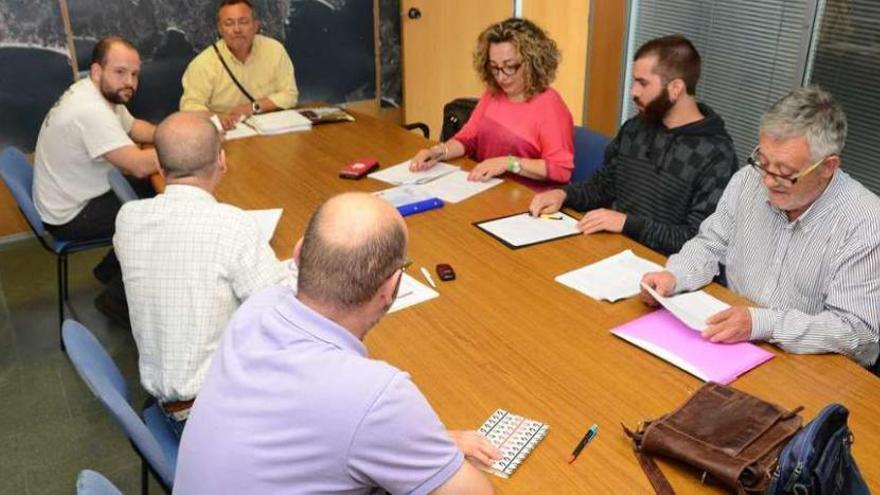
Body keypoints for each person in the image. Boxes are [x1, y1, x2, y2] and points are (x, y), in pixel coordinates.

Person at [174, 193, 497, 494]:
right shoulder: (377, 396)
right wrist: (414, 440)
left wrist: (415, 445)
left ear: (299, 254)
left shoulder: (257, 309)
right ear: (392, 286)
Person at [641, 87, 880, 371]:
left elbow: (856, 330)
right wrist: (674, 276)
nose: (767, 181)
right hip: (733, 343)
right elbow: (710, 244)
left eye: (785, 172)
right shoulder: (747, 181)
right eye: (763, 162)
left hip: (812, 366)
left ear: (828, 166)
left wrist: (762, 323)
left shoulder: (866, 222)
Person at [113, 112, 292, 436]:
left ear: (161, 167)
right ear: (221, 161)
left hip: (165, 402)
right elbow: (282, 315)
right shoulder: (232, 226)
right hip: (216, 415)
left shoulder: (128, 219)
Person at [529, 35, 738, 255]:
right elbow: (604, 185)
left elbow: (698, 241)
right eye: (634, 81)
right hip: (615, 251)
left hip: (666, 272)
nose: (633, 92)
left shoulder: (716, 155)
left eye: (643, 83)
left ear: (676, 88)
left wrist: (627, 224)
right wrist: (564, 195)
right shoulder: (635, 128)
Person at [33, 36, 159, 324]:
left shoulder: (97, 92)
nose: (130, 81)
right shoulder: (90, 110)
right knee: (163, 219)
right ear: (97, 71)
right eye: (121, 72)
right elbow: (139, 165)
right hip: (71, 214)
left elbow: (136, 128)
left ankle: (110, 270)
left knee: (158, 195)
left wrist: (168, 134)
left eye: (135, 74)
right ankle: (116, 299)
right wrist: (191, 148)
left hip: (74, 194)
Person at [410, 17, 574, 185]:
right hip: (486, 186)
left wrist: (508, 163)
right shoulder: (494, 92)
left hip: (526, 198)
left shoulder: (550, 105)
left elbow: (561, 170)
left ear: (533, 62)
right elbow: (468, 138)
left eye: (510, 66)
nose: (501, 78)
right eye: (494, 67)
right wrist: (437, 152)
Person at [180, 0, 298, 130]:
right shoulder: (203, 64)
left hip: (270, 129)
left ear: (255, 25)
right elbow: (189, 107)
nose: (237, 29)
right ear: (220, 29)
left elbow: (289, 94)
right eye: (229, 23)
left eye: (243, 22)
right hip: (226, 132)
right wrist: (217, 118)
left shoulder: (274, 50)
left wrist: (254, 107)